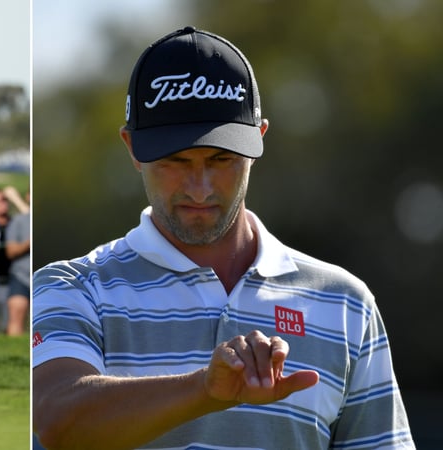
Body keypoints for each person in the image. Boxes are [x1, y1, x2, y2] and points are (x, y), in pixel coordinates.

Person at [32, 27, 415, 450]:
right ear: (132, 148)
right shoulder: (74, 287)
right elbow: (57, 422)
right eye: (176, 161)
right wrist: (204, 391)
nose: (200, 187)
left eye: (222, 160)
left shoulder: (344, 303)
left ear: (258, 141)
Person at [0, 186, 29, 335]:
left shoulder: (15, 223)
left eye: (4, 200)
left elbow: (30, 218)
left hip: (12, 280)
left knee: (9, 324)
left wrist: (16, 199)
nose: (1, 204)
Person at [4, 189, 30, 336]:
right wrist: (27, 244)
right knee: (16, 313)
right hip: (20, 275)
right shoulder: (18, 221)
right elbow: (10, 251)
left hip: (40, 277)